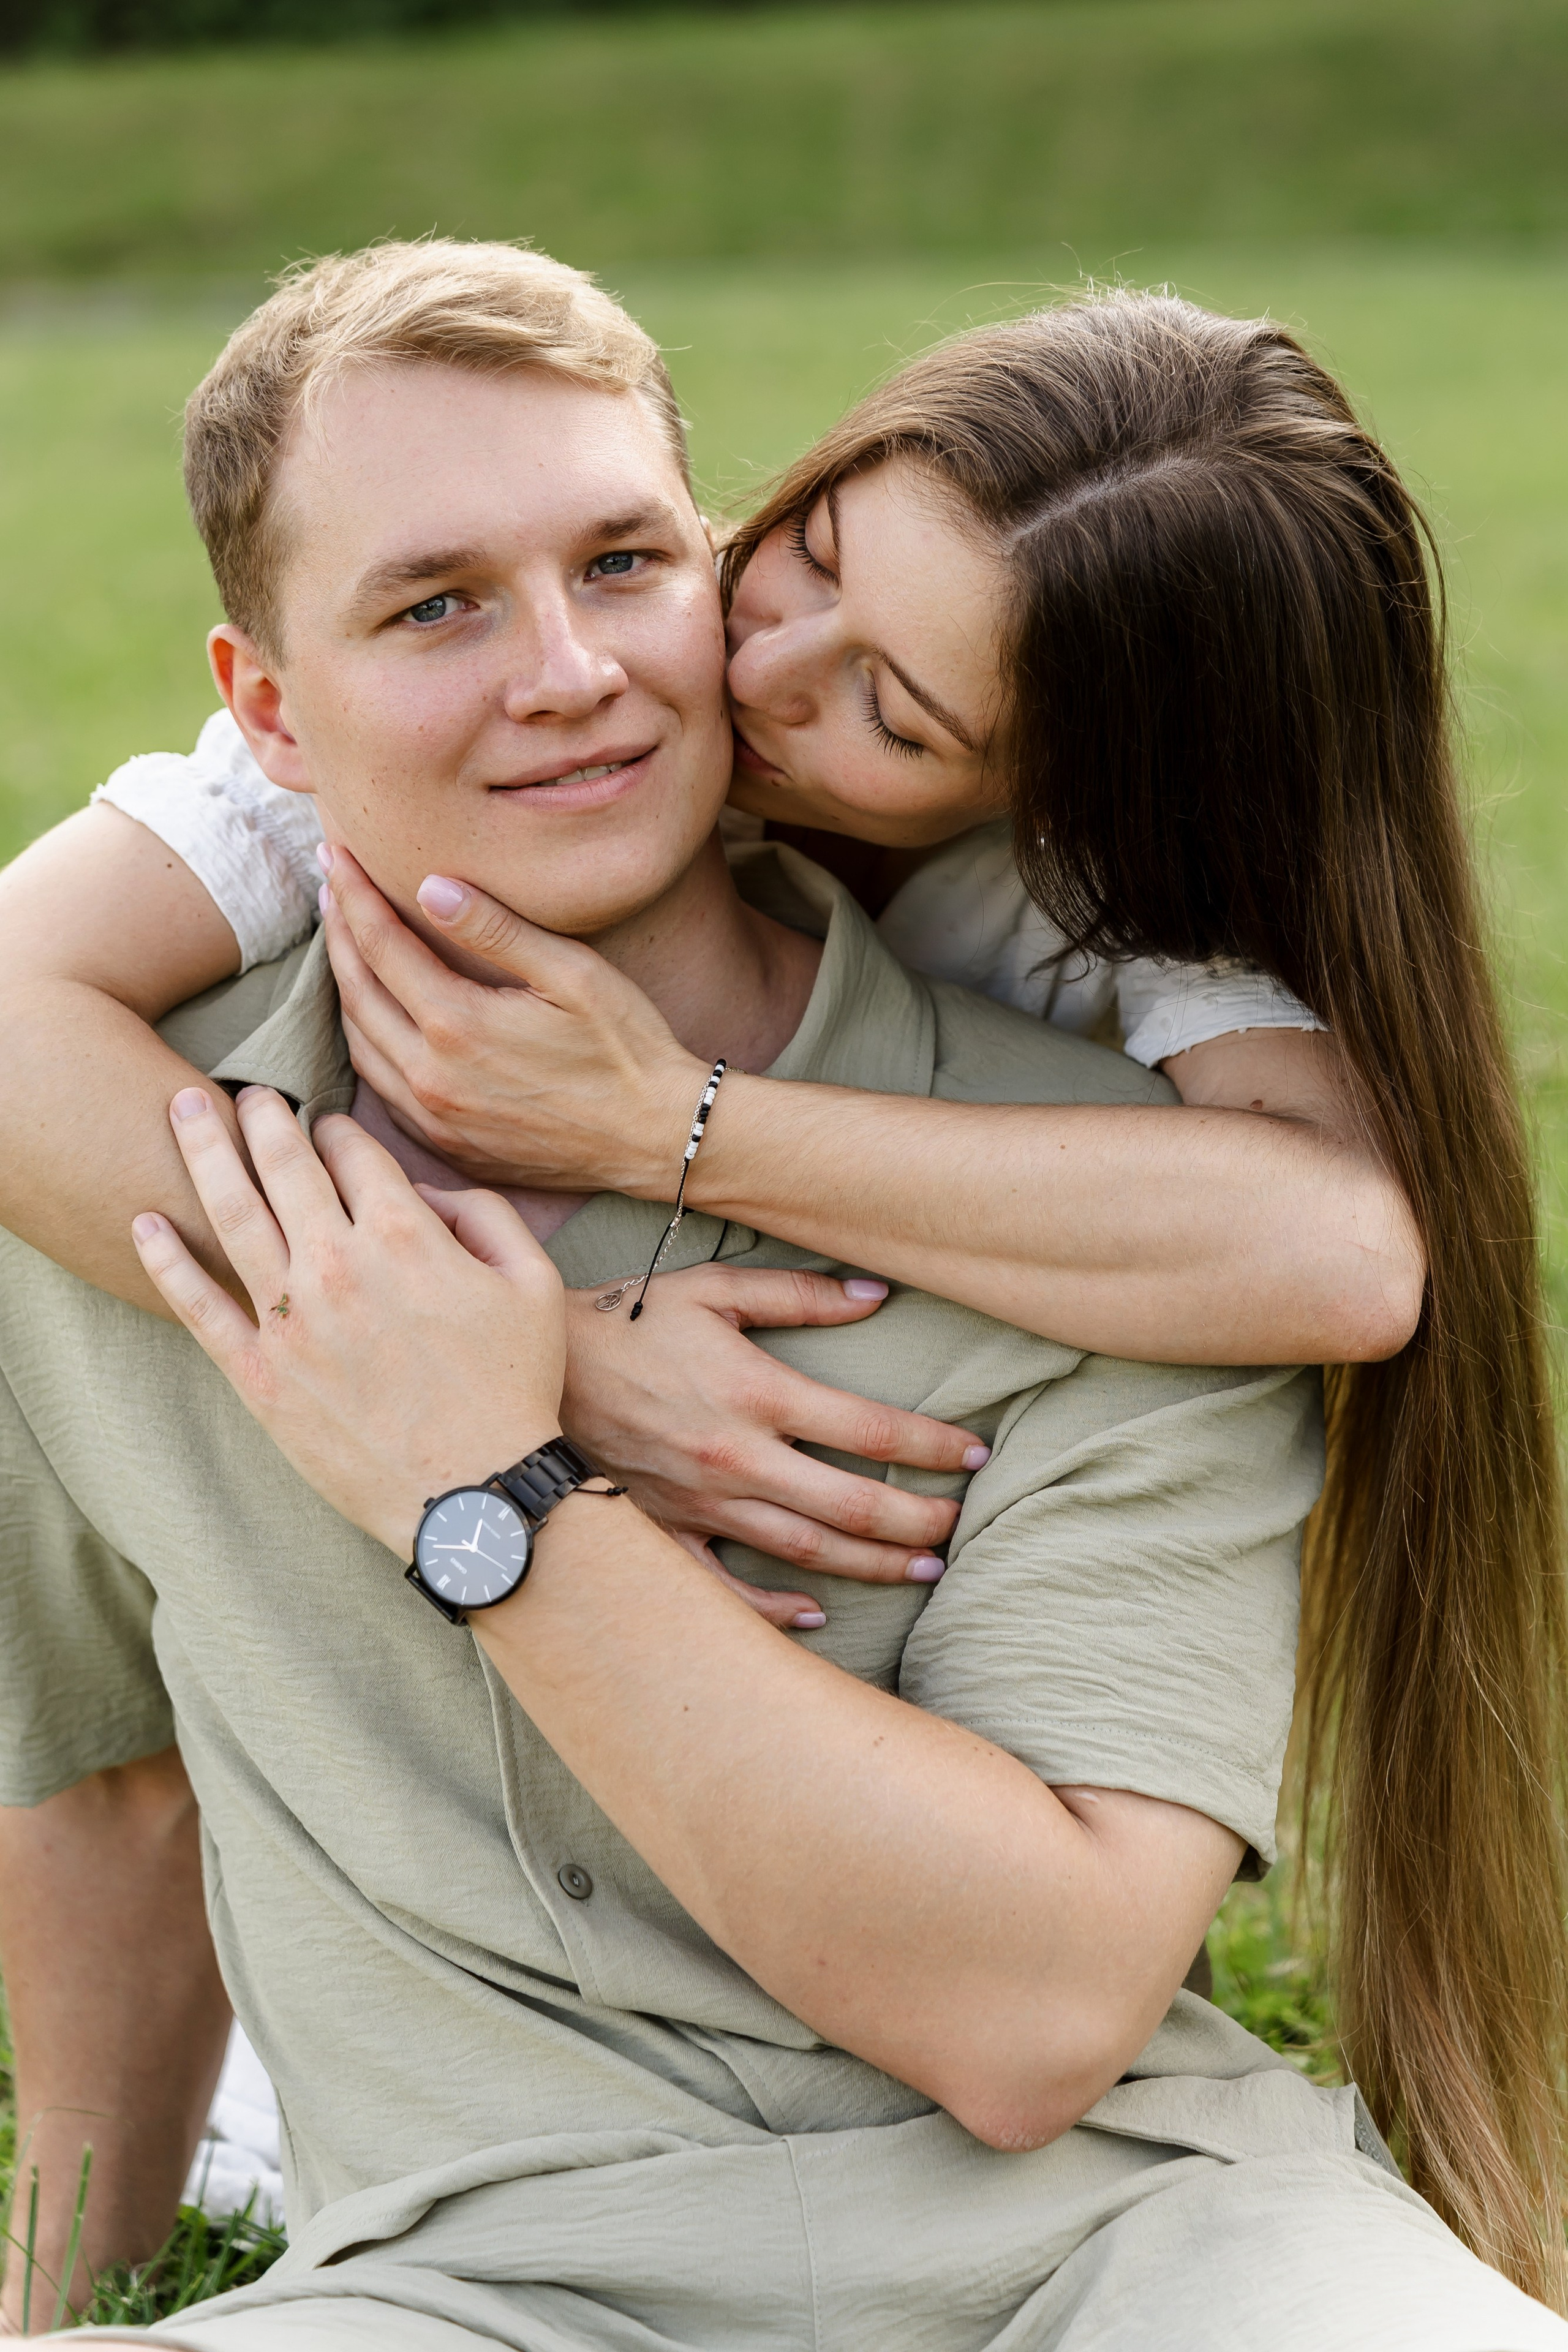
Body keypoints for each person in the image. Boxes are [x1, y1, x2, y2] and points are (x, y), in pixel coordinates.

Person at [0, 235, 1556, 2352]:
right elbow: (108, 1780)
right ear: (265, 702)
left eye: (625, 564)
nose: (598, 672)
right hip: (475, 2278)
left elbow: (1037, 2017)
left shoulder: (1122, 1175)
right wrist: (66, 2291)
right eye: (437, 602)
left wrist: (497, 1444)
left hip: (1123, 2240)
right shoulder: (117, 1154)